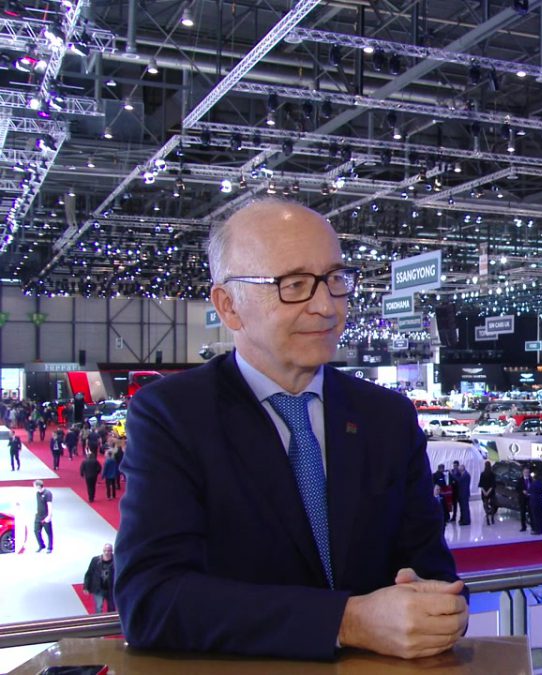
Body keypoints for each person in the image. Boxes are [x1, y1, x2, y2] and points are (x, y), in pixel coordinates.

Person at [114, 199, 465, 661]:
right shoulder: (173, 415)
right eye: (294, 285)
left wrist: (438, 609)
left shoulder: (388, 417)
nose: (326, 307)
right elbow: (151, 601)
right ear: (229, 306)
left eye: (335, 280)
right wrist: (348, 620)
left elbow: (434, 573)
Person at [84, 543, 117, 613]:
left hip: (111, 588)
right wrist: (86, 587)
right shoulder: (95, 560)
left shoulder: (116, 560)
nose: (107, 552)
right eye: (105, 550)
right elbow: (89, 573)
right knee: (98, 607)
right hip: (98, 588)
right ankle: (98, 622)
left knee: (111, 608)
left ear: (112, 551)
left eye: (109, 551)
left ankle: (111, 622)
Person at [33, 479, 53, 553]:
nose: (34, 487)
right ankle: (41, 545)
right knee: (36, 531)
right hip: (38, 516)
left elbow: (49, 505)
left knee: (49, 533)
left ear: (38, 486)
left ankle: (50, 547)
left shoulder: (48, 493)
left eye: (34, 486)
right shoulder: (37, 493)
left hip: (45, 516)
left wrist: (49, 516)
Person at [451, 461, 471, 526]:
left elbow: (458, 480)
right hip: (462, 494)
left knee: (465, 508)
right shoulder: (464, 475)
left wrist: (452, 474)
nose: (458, 470)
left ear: (462, 469)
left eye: (459, 469)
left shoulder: (466, 475)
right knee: (463, 508)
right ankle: (463, 519)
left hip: (464, 495)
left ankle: (466, 521)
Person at [526, 469, 542, 535]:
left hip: (534, 502)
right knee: (540, 517)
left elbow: (529, 491)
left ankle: (536, 530)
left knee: (535, 517)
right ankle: (540, 530)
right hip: (540, 501)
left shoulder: (533, 484)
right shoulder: (541, 483)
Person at [479, 461, 497, 525]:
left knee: (485, 505)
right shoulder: (493, 474)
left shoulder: (482, 474)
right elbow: (493, 485)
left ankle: (487, 517)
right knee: (492, 505)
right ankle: (492, 517)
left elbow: (481, 484)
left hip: (484, 492)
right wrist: (488, 492)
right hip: (491, 492)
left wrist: (485, 492)